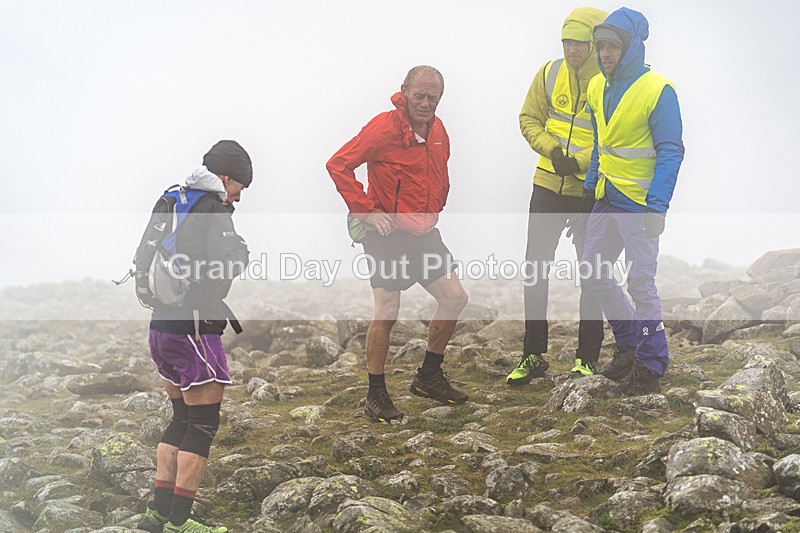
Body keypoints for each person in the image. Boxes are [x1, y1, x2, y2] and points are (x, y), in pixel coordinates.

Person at [326, 65, 469, 423]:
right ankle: (375, 395)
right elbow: (338, 164)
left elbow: (440, 173)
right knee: (388, 311)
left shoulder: (439, 130)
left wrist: (437, 207)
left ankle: (428, 376)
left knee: (455, 298)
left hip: (424, 232)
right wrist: (365, 211)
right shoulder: (383, 128)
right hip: (387, 234)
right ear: (404, 91)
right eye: (419, 95)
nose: (425, 103)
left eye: (432, 97)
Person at [138, 140, 252, 533]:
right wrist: (241, 252)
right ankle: (180, 522)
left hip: (161, 327)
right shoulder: (212, 208)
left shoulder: (175, 199)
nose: (239, 196)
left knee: (181, 418)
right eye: (240, 186)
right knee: (202, 424)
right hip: (194, 330)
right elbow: (227, 264)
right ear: (225, 177)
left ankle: (157, 516)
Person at [579, 7, 685, 395]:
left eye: (611, 46)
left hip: (640, 204)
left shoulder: (658, 89)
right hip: (606, 198)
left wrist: (658, 205)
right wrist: (589, 188)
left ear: (631, 46)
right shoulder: (597, 86)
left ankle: (651, 363)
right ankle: (628, 346)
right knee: (592, 271)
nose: (604, 53)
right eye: (600, 46)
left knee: (640, 282)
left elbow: (671, 150)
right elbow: (600, 144)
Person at [509, 7, 608, 385]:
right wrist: (552, 151)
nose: (572, 50)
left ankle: (588, 357)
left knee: (591, 272)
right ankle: (532, 354)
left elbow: (613, 135)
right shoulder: (549, 73)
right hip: (548, 184)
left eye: (579, 43)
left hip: (588, 190)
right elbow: (528, 119)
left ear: (594, 43)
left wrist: (579, 162)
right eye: (566, 42)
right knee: (535, 270)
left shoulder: (608, 81)